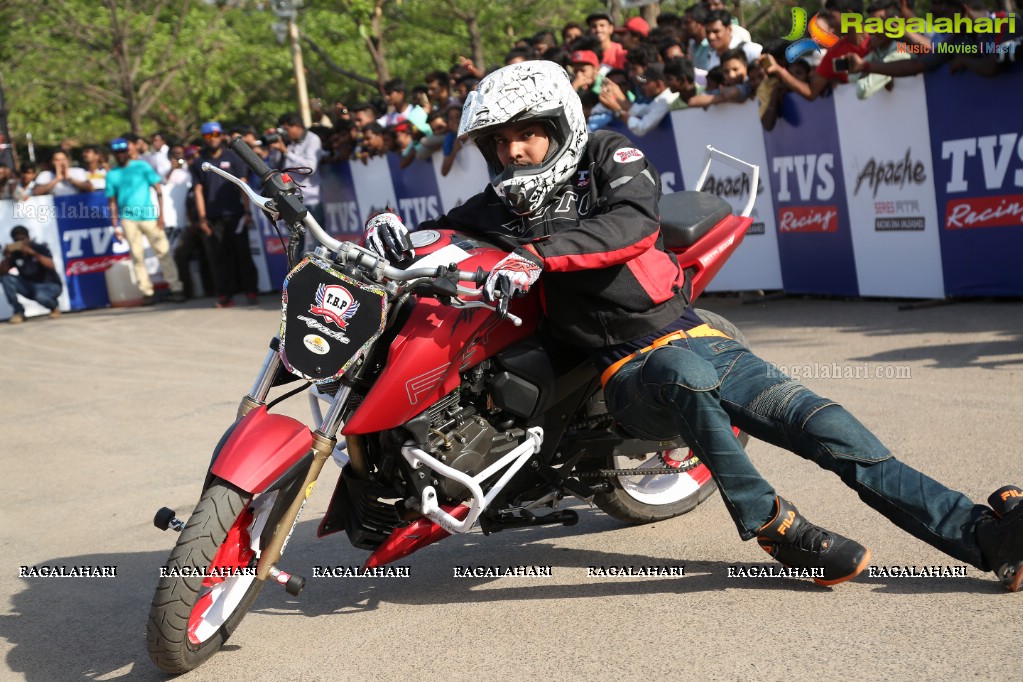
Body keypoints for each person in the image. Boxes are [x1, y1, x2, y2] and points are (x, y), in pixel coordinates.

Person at [361, 59, 1023, 592]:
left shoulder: (606, 156)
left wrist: (534, 254)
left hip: (700, 337)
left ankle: (982, 538)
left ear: (557, 124)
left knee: (833, 429)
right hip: (626, 373)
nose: (514, 149)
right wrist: (387, 236)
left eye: (525, 132)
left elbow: (630, 224)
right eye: (499, 141)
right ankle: (771, 524)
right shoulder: (496, 206)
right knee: (681, 371)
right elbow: (439, 234)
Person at [106, 137, 186, 306]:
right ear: (114, 154)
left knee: (163, 252)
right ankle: (146, 292)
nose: (121, 155)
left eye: (123, 151)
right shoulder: (112, 174)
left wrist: (161, 215)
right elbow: (112, 202)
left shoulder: (141, 166)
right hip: (128, 219)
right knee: (137, 256)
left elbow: (158, 189)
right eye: (117, 152)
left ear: (128, 151)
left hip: (149, 215)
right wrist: (115, 226)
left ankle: (176, 288)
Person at [191, 121, 258, 308]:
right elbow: (198, 190)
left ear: (221, 135)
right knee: (218, 258)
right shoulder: (199, 162)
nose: (212, 139)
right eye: (207, 136)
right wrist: (202, 217)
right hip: (213, 217)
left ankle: (251, 291)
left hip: (236, 214)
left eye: (215, 135)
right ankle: (224, 295)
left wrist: (246, 210)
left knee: (243, 255)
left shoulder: (234, 157)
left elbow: (243, 184)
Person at [269, 112, 325, 228]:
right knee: (295, 240)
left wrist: (286, 152)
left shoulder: (312, 139)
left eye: (286, 129)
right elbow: (275, 167)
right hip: (292, 199)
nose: (285, 132)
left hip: (311, 199)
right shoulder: (288, 142)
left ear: (297, 126)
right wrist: (276, 149)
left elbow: (310, 168)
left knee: (319, 240)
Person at [1, 225, 62, 324]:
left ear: (28, 238)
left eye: (22, 239)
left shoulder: (39, 248)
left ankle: (54, 307)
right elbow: (2, 273)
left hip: (49, 286)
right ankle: (18, 312)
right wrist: (7, 257)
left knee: (40, 295)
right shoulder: (15, 254)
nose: (20, 242)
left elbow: (51, 266)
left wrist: (33, 253)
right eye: (17, 240)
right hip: (29, 287)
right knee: (6, 278)